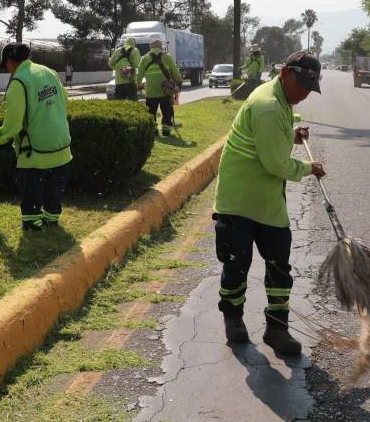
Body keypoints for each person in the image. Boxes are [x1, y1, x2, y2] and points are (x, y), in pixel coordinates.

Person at [211, 51, 325, 355]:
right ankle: (233, 318)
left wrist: (292, 136)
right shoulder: (269, 106)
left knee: (279, 266)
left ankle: (277, 328)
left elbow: (271, 139)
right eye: (301, 86)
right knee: (236, 264)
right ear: (285, 73)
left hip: (268, 201)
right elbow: (276, 164)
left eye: (309, 89)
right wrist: (308, 168)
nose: (304, 94)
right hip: (238, 200)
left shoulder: (282, 100)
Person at [0, 42, 73, 232]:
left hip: (35, 150)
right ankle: (52, 219)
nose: (7, 70)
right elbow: (64, 97)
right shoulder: (49, 72)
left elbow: (14, 120)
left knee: (31, 187)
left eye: (6, 65)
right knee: (54, 188)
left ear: (10, 61)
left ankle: (32, 223)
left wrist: (1, 137)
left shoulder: (19, 82)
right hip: (62, 145)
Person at [138, 38, 183, 137]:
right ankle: (166, 131)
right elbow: (175, 71)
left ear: (151, 47)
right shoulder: (167, 56)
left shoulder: (145, 58)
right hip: (165, 90)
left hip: (150, 91)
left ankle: (153, 131)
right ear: (161, 47)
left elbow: (139, 74)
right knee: (167, 112)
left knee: (151, 112)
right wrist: (179, 81)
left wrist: (138, 84)